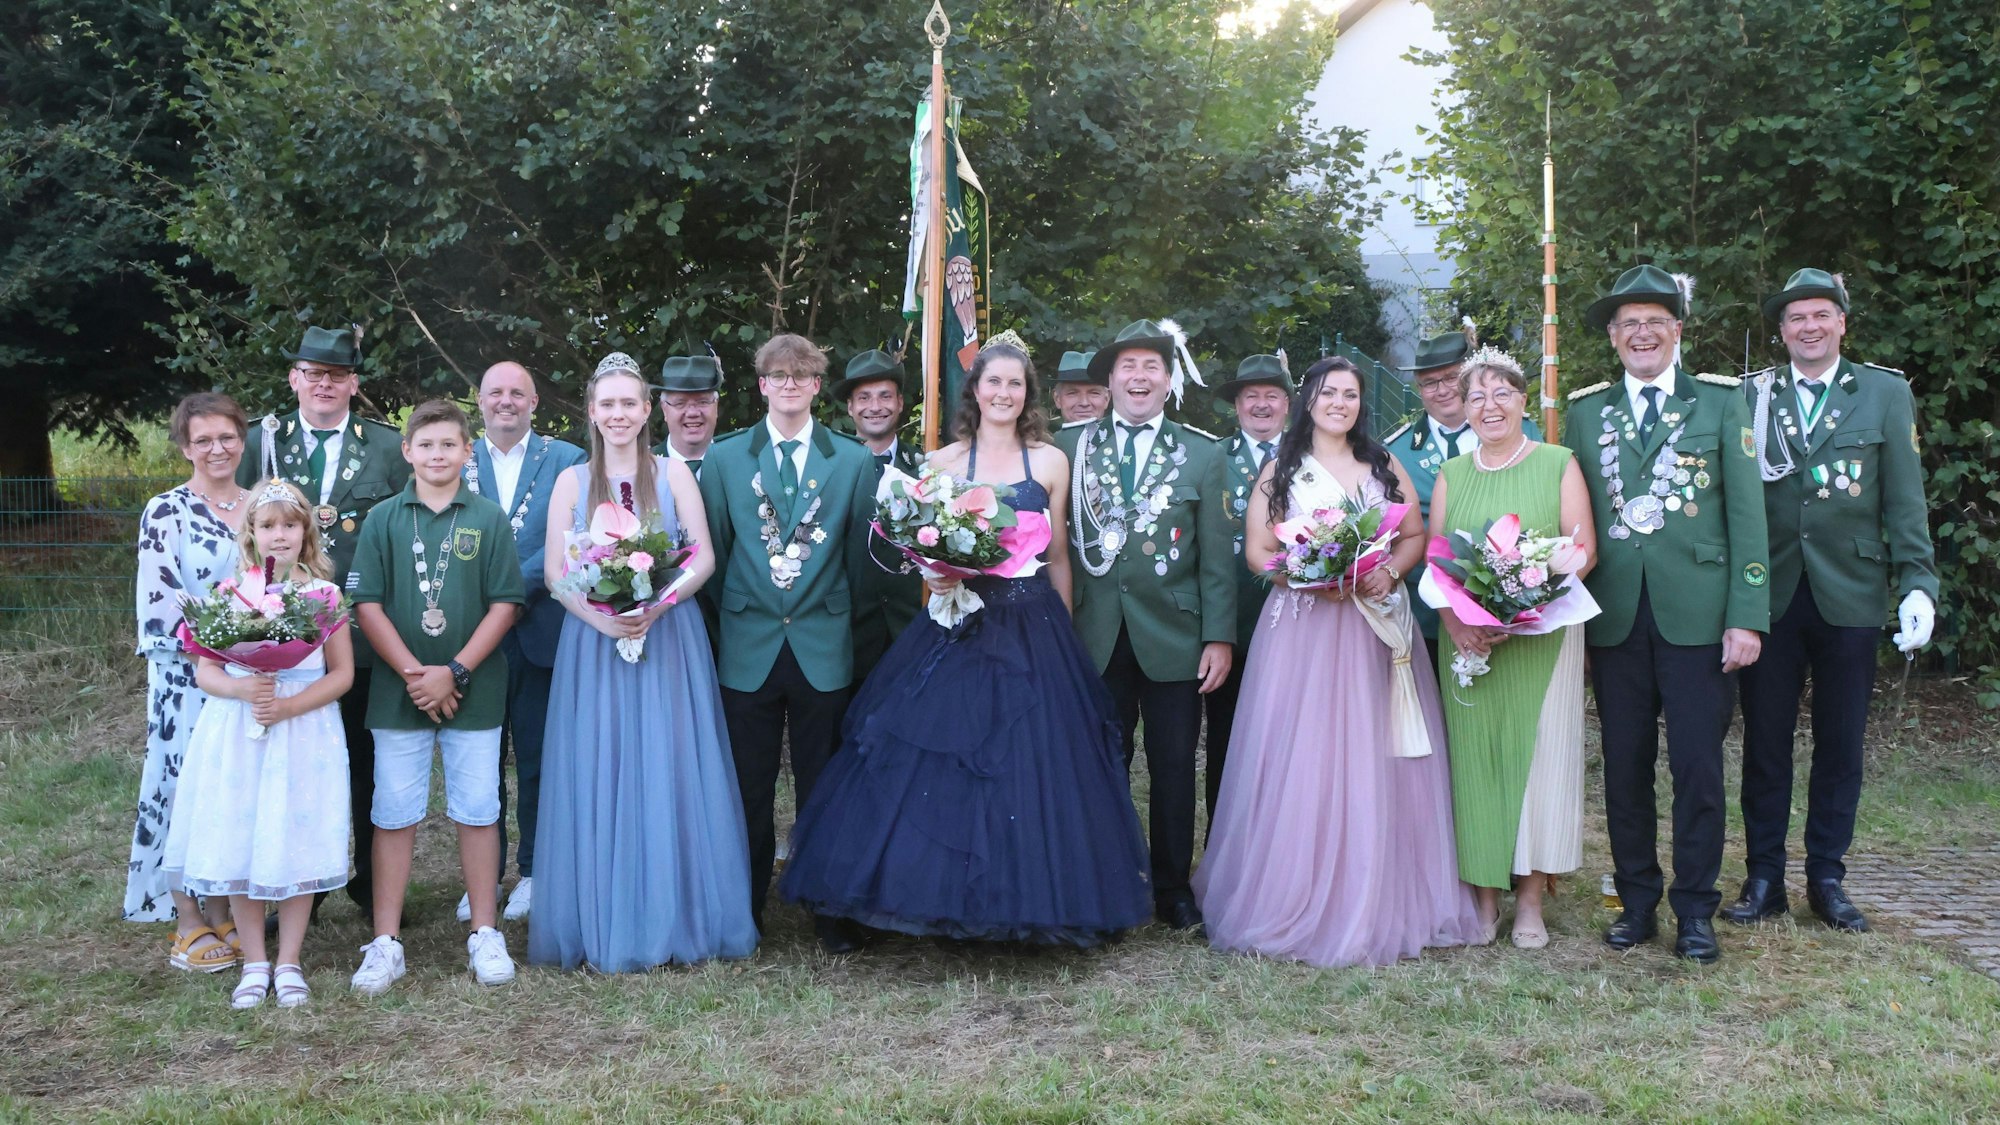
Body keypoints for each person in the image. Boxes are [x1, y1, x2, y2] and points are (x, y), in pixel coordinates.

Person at [779, 340, 1153, 947]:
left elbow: (1059, 558)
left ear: (1027, 394)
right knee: (945, 756)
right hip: (960, 621)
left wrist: (1061, 638)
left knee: (1034, 762)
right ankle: (931, 892)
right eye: (993, 382)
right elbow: (925, 549)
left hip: (1033, 623)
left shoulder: (1050, 463)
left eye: (1015, 384)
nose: (1003, 394)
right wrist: (936, 574)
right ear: (974, 390)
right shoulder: (941, 464)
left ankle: (1046, 898)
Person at [1194, 357, 1483, 967]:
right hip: (1304, 628)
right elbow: (1258, 548)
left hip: (1372, 627)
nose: (1341, 404)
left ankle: (1378, 892)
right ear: (1309, 400)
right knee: (1307, 752)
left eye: (1351, 395)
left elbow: (1414, 535)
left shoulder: (1382, 463)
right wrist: (1305, 575)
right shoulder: (1282, 469)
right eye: (1329, 393)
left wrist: (1387, 571)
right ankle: (1290, 890)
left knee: (1374, 751)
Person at [1562, 264, 1770, 964]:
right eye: (1629, 325)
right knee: (1623, 766)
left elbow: (1747, 515)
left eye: (1655, 322)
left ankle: (1696, 909)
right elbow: (1576, 518)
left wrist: (1748, 614)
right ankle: (1638, 901)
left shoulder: (1719, 403)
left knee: (1698, 769)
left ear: (1677, 331)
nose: (1642, 334)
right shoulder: (1586, 412)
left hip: (1700, 618)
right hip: (1616, 618)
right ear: (1614, 339)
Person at [528, 354, 758, 971]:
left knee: (669, 764)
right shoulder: (572, 482)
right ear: (592, 412)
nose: (619, 414)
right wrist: (601, 618)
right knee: (600, 765)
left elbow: (702, 558)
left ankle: (676, 914)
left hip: (668, 638)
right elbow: (555, 571)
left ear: (648, 409)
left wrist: (659, 606)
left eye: (629, 402)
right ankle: (601, 914)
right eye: (607, 404)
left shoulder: (673, 474)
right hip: (593, 641)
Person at [1726, 268, 1939, 933]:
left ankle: (1826, 876)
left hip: (1850, 592)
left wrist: (1919, 583)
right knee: (1764, 744)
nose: (1809, 327)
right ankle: (1764, 876)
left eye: (1821, 315)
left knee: (1840, 742)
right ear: (1781, 330)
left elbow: (1904, 498)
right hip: (1775, 594)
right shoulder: (1752, 396)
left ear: (1843, 322)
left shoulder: (1882, 391)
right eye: (1796, 318)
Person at [698, 334, 878, 953]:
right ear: (761, 386)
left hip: (823, 647)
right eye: (778, 376)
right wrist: (741, 614)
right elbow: (713, 558)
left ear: (815, 386)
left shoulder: (852, 462)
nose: (790, 386)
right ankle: (746, 911)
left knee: (823, 785)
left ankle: (827, 909)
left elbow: (859, 560)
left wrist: (831, 620)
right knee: (746, 787)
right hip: (747, 646)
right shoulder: (724, 460)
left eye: (802, 376)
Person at [1054, 319, 1235, 931]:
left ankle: (1171, 887)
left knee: (1174, 765)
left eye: (1151, 367)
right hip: (1092, 636)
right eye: (1127, 366)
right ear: (1108, 380)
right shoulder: (1068, 448)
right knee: (1099, 763)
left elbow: (1216, 557)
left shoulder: (1203, 453)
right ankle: (1105, 881)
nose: (1139, 376)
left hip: (1175, 638)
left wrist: (1219, 638)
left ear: (1168, 379)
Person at [348, 400, 525, 994]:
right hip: (400, 691)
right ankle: (386, 940)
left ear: (467, 451)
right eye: (426, 446)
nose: (437, 455)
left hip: (473, 687)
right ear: (407, 452)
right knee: (394, 813)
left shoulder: (489, 519)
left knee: (478, 809)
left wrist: (453, 670)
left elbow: (506, 603)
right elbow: (366, 603)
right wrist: (414, 674)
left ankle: (484, 931)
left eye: (449, 445)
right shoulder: (383, 520)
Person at [238, 324, 410, 921]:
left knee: (365, 764)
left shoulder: (388, 447)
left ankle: (367, 886)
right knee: (290, 767)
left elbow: (402, 533)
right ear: (295, 379)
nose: (325, 384)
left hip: (360, 636)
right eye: (313, 373)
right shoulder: (263, 441)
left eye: (337, 375)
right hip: (279, 640)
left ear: (353, 383)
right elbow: (245, 529)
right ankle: (294, 891)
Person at [161, 481, 354, 1008]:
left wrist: (289, 705)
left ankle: (289, 960)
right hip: (239, 730)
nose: (279, 535)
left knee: (296, 835)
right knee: (242, 836)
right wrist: (245, 687)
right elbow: (207, 672)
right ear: (251, 534)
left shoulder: (325, 596)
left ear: (306, 531)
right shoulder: (229, 596)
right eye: (267, 526)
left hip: (303, 728)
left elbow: (342, 675)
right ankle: (254, 961)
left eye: (290, 525)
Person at [1428, 347, 1596, 949]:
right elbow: (1439, 558)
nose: (1489, 405)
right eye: (1476, 396)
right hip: (1471, 644)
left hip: (1543, 638)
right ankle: (1483, 899)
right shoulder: (1454, 472)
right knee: (1476, 763)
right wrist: (1457, 623)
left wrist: (1529, 604)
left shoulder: (1557, 462)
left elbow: (1583, 551)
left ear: (1524, 400)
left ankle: (1530, 900)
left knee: (1537, 763)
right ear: (1463, 408)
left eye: (1502, 393)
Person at [458, 361, 585, 924]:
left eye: (517, 393)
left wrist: (508, 595)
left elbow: (574, 537)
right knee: (478, 760)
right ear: (479, 402)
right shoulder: (453, 458)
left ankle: (534, 871)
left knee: (537, 757)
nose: (505, 401)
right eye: (494, 393)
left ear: (535, 401)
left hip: (539, 630)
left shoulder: (567, 459)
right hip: (467, 634)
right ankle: (482, 877)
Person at [129, 393, 251, 971]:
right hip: (185, 677)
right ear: (184, 447)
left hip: (251, 678)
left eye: (226, 436)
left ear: (242, 439)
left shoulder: (259, 506)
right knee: (182, 791)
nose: (216, 448)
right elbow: (162, 601)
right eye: (202, 440)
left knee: (229, 792)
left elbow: (276, 590)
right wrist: (221, 646)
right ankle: (187, 921)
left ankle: (225, 908)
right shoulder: (166, 511)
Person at [1387, 326, 1542, 647]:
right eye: (1429, 382)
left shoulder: (1520, 431)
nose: (1441, 389)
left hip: (1514, 605)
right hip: (1428, 613)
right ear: (1418, 389)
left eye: (1451, 378)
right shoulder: (1397, 452)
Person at [1200, 354, 1291, 832]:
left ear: (1287, 404)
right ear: (1236, 405)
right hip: (1234, 624)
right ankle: (1225, 844)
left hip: (1302, 623)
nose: (1261, 405)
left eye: (1271, 395)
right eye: (1250, 396)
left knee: (1294, 741)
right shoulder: (1213, 458)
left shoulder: (1311, 458)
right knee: (1228, 740)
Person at [835, 348, 925, 683]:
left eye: (885, 396)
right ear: (850, 407)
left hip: (911, 628)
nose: (875, 407)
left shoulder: (925, 470)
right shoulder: (829, 469)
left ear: (901, 402)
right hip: (847, 632)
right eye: (864, 397)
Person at [652, 352, 723, 477]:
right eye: (680, 403)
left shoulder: (738, 464)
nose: (692, 413)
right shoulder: (643, 468)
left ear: (716, 407)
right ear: (664, 409)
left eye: (703, 402)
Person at [1051, 350, 1110, 425]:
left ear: (1107, 398)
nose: (1084, 403)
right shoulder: (1040, 437)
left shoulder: (1126, 436)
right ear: (1057, 399)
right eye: (1072, 393)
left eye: (1094, 393)